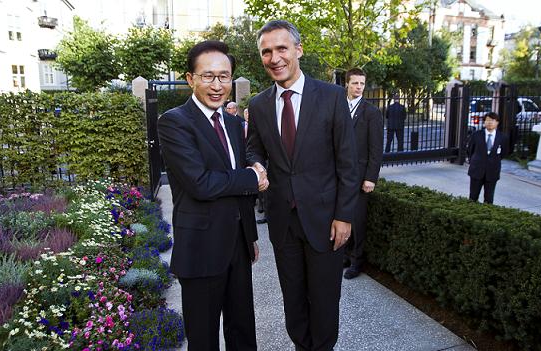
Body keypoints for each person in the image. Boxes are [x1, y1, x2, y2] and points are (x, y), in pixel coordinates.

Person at [247, 20, 359, 351]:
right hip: (283, 222)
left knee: (324, 302)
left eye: (281, 48)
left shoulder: (332, 96)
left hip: (326, 221)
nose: (274, 57)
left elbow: (348, 163)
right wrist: (256, 164)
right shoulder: (259, 104)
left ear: (298, 49)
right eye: (266, 51)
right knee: (293, 302)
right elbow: (255, 147)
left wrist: (344, 216)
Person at [157, 40, 268, 351]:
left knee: (243, 331)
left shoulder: (233, 123)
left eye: (224, 76)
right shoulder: (174, 121)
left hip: (237, 245)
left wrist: (250, 235)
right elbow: (200, 183)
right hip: (202, 249)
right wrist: (252, 177)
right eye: (208, 76)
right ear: (190, 78)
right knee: (204, 339)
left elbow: (234, 183)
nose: (218, 85)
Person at [343, 68, 383, 280]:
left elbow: (376, 149)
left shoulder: (371, 113)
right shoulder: (339, 107)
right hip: (339, 175)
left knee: (357, 220)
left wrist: (370, 178)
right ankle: (345, 255)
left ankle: (357, 261)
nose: (359, 87)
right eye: (355, 83)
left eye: (362, 84)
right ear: (347, 84)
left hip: (360, 177)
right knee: (342, 215)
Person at [467, 111, 508, 204]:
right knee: (472, 197)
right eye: (487, 120)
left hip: (492, 171)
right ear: (484, 122)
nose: (490, 122)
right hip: (476, 170)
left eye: (493, 120)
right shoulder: (476, 135)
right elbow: (470, 150)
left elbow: (504, 153)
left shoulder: (502, 137)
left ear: (497, 122)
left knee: (489, 198)